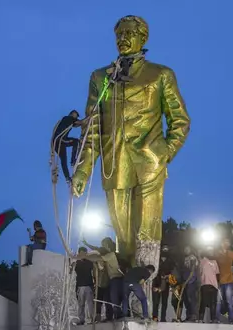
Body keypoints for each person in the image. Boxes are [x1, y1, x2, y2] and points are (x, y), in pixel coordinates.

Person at [71, 15, 191, 271]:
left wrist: (165, 153)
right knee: (124, 238)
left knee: (146, 234)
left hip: (150, 165)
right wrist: (83, 168)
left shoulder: (160, 74)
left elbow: (180, 120)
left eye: (129, 34)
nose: (122, 39)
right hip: (114, 166)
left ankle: (142, 299)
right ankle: (125, 301)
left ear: (142, 38)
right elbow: (93, 126)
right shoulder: (101, 77)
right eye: (119, 35)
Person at [84, 237, 124, 319]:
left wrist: (85, 256)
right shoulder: (105, 255)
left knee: (112, 299)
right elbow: (97, 249)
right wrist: (87, 244)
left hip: (113, 279)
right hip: (104, 282)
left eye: (104, 245)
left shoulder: (109, 254)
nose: (103, 246)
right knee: (106, 299)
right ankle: (110, 315)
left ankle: (116, 315)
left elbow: (100, 258)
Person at [52, 110, 85, 183]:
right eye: (76, 115)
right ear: (72, 113)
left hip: (57, 142)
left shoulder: (67, 121)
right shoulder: (69, 118)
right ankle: (73, 161)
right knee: (76, 142)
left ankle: (67, 178)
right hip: (60, 139)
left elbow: (77, 125)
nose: (76, 117)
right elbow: (80, 123)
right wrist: (90, 117)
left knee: (63, 160)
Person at [215, 238, 233, 324]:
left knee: (229, 301)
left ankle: (231, 320)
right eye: (225, 242)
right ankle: (217, 319)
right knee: (218, 302)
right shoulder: (217, 254)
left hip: (228, 281)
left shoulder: (231, 253)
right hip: (218, 281)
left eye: (228, 243)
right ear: (221, 243)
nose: (227, 244)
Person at [73, 247, 95, 325]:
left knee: (90, 304)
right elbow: (70, 270)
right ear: (79, 253)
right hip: (80, 286)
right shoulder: (76, 262)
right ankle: (81, 320)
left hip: (89, 285)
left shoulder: (90, 262)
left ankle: (93, 319)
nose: (83, 254)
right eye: (82, 253)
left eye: (85, 253)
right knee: (81, 304)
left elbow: (94, 271)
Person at [153, 245, 174, 322]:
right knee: (156, 302)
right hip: (156, 283)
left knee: (164, 302)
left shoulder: (170, 261)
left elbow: (173, 272)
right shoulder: (156, 259)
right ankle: (155, 317)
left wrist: (168, 276)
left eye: (166, 249)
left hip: (166, 284)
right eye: (164, 249)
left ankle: (163, 318)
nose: (165, 250)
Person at [198, 248, 220, 323]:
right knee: (203, 302)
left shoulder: (215, 262)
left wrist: (218, 284)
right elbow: (200, 272)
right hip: (205, 283)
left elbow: (217, 274)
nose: (211, 252)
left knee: (213, 303)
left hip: (214, 285)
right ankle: (200, 319)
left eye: (212, 251)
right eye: (209, 251)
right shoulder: (202, 261)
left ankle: (213, 319)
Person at [180, 246, 199, 322]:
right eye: (185, 249)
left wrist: (187, 281)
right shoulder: (185, 258)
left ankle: (194, 316)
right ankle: (189, 315)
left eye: (187, 249)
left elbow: (192, 271)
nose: (186, 250)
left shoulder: (192, 258)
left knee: (191, 298)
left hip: (191, 281)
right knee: (186, 299)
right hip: (186, 281)